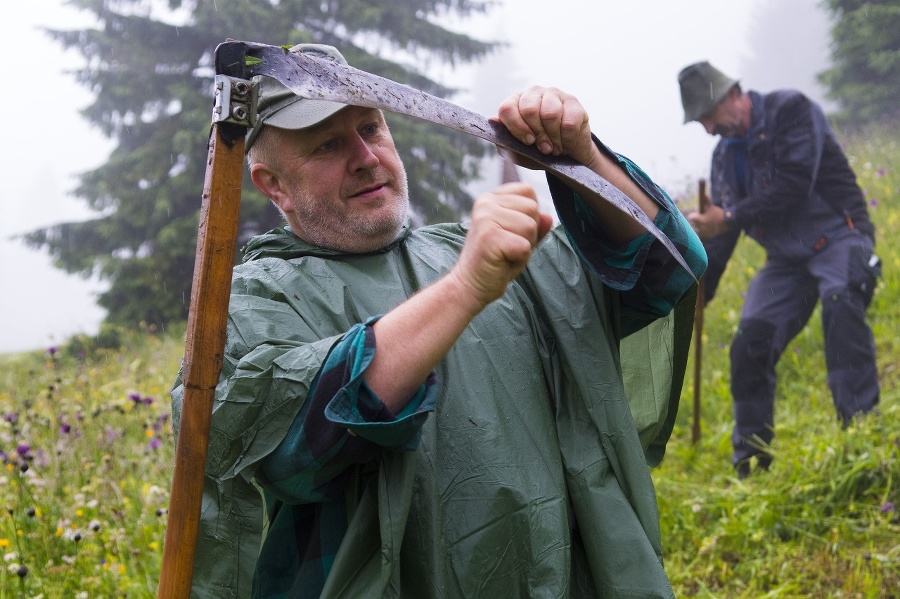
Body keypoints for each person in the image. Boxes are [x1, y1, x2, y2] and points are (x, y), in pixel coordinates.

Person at [171, 43, 706, 599]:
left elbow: (664, 267)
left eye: (371, 128)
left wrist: (581, 161)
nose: (366, 157)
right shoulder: (251, 301)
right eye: (327, 145)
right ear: (273, 185)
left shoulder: (473, 250)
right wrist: (465, 289)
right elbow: (292, 446)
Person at [677, 61, 881, 477]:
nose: (709, 129)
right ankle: (752, 463)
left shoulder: (791, 109)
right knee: (749, 339)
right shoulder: (723, 158)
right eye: (701, 122)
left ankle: (861, 438)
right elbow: (722, 234)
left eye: (709, 116)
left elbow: (793, 185)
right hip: (787, 262)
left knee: (839, 302)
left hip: (840, 236)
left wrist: (728, 216)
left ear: (732, 95)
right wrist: (702, 290)